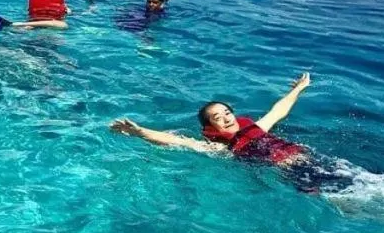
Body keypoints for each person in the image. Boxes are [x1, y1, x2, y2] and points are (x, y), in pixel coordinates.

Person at [111, 73, 348, 192]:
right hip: (296, 175)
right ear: (210, 129)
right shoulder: (220, 147)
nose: (226, 117)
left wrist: (299, 89)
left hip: (315, 162)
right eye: (217, 117)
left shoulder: (255, 128)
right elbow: (175, 140)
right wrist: (140, 131)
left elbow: (278, 111)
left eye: (227, 112)